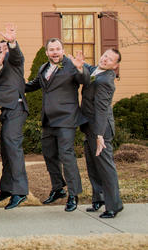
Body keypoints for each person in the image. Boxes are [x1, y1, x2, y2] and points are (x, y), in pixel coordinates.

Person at [25, 38, 89, 212]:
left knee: (66, 156)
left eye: (58, 49)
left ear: (62, 50)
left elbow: (84, 80)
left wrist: (79, 67)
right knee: (49, 155)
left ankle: (73, 195)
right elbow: (33, 85)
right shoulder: (43, 68)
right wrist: (13, 85)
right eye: (51, 49)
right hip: (48, 120)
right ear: (47, 52)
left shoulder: (71, 66)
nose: (55, 52)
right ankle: (58, 188)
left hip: (66, 119)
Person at [0, 25, 29, 209]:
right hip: (7, 111)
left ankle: (20, 191)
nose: (2, 52)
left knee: (13, 147)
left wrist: (12, 43)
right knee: (7, 149)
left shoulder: (15, 61)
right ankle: (8, 189)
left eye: (5, 49)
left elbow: (17, 55)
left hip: (16, 108)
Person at [80, 48, 123, 218]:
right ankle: (99, 198)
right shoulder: (96, 70)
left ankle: (114, 206)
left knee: (105, 167)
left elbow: (102, 109)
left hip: (101, 129)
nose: (105, 60)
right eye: (105, 55)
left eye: (110, 59)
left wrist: (99, 135)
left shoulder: (106, 80)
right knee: (93, 164)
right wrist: (78, 62)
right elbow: (88, 69)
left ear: (115, 65)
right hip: (90, 126)